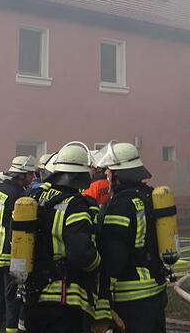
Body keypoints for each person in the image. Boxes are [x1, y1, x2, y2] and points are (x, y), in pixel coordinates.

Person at [22, 142, 107, 333]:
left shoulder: (33, 197)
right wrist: (99, 264)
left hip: (31, 294)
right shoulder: (74, 204)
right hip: (63, 299)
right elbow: (81, 254)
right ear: (80, 174)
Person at [98, 142, 168, 333]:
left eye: (109, 170)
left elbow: (115, 257)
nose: (106, 174)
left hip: (131, 296)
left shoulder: (121, 205)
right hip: (156, 287)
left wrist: (104, 295)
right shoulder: (150, 195)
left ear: (118, 175)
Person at [0, 155, 37, 333]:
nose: (32, 177)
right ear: (21, 175)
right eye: (29, 174)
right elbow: (15, 228)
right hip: (8, 256)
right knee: (12, 299)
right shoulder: (18, 196)